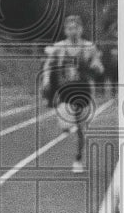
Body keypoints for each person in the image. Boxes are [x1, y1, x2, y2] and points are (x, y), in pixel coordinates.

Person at [42, 14, 104, 172]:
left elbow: (98, 65)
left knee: (82, 127)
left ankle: (78, 159)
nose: (73, 31)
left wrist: (97, 66)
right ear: (65, 30)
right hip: (65, 90)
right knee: (65, 123)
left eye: (76, 28)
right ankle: (68, 127)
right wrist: (46, 80)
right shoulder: (59, 47)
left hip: (83, 89)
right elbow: (48, 66)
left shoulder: (89, 47)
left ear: (81, 29)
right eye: (70, 28)